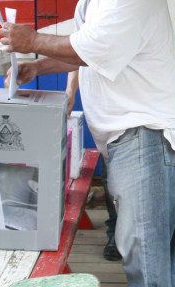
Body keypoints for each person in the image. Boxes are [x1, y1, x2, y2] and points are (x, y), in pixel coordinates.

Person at [0, 0, 175, 286]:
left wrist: (29, 40)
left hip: (147, 133)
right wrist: (36, 66)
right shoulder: (93, 0)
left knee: (145, 255)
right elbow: (81, 53)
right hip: (129, 138)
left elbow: (95, 48)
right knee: (156, 254)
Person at [66, 69, 120, 261]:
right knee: (110, 180)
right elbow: (75, 56)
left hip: (133, 113)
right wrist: (70, 92)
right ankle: (116, 235)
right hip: (105, 118)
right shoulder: (81, 39)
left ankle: (137, 238)